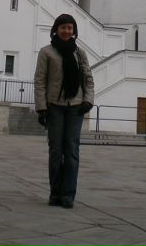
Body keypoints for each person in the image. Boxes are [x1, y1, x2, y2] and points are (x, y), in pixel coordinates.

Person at [34, 13, 94, 209]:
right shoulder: (46, 52)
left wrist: (88, 101)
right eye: (63, 27)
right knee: (55, 151)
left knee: (72, 151)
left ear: (74, 30)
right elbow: (40, 81)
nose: (67, 31)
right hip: (55, 107)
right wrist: (41, 108)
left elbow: (88, 78)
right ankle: (55, 192)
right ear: (56, 29)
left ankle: (68, 194)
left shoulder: (79, 53)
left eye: (70, 28)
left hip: (76, 106)